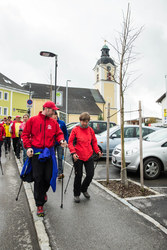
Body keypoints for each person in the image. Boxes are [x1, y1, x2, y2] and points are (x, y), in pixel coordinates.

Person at [22, 101, 67, 217]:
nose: (54, 112)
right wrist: (28, 147)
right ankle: (39, 205)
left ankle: (42, 194)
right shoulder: (33, 120)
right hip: (36, 153)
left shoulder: (54, 122)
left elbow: (59, 133)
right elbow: (25, 135)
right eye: (53, 110)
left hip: (49, 153)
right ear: (46, 109)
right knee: (38, 178)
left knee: (48, 177)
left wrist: (61, 140)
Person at [68, 112, 102, 203]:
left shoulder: (90, 130)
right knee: (78, 175)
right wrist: (73, 153)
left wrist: (98, 151)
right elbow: (70, 142)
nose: (85, 123)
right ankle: (76, 194)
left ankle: (84, 189)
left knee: (90, 174)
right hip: (78, 156)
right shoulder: (75, 130)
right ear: (80, 121)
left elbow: (94, 142)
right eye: (83, 121)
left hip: (88, 155)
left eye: (87, 122)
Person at [52, 111, 68, 179]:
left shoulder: (61, 123)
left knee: (60, 158)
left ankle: (60, 173)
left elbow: (65, 133)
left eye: (55, 115)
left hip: (60, 143)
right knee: (52, 158)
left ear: (56, 115)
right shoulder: (50, 122)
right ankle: (52, 172)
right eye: (52, 115)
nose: (54, 116)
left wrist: (66, 141)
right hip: (52, 143)